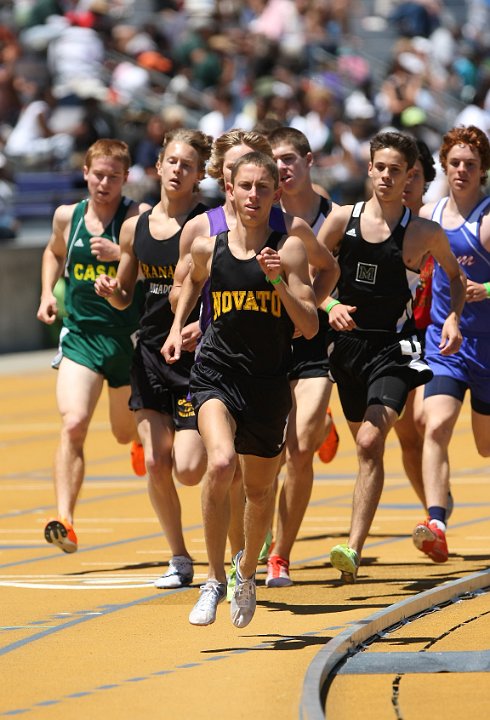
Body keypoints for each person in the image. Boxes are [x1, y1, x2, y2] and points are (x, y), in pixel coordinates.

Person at [170, 128, 339, 597]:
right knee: (222, 466)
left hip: (276, 363)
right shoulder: (203, 231)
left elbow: (316, 302)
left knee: (271, 474)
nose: (251, 192)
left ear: (273, 188)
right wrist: (185, 324)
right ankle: (217, 576)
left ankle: (259, 563)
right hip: (218, 366)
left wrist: (281, 287)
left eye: (262, 184)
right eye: (241, 181)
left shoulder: (290, 238)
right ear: (226, 181)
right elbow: (186, 283)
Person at [316, 130, 465, 582]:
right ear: (369, 169)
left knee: (368, 442)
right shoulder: (342, 219)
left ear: (409, 178)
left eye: (395, 170)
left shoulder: (423, 233)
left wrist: (454, 317)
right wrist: (329, 306)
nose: (385, 176)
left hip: (396, 348)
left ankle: (353, 548)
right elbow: (312, 276)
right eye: (379, 167)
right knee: (367, 449)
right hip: (347, 349)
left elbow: (456, 278)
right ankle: (366, 541)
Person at [94, 129, 213, 589]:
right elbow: (127, 294)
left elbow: (221, 289)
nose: (178, 170)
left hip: (193, 358)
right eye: (172, 161)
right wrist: (113, 292)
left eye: (188, 164)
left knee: (189, 467)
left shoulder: (208, 224)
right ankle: (180, 558)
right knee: (156, 463)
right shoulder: (134, 227)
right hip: (148, 353)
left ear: (199, 174)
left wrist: (200, 325)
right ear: (158, 166)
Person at [36, 138, 150, 553]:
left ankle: (139, 439)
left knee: (122, 434)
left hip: (127, 339)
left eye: (113, 177)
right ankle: (64, 518)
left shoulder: (137, 217)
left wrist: (120, 252)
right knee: (73, 422)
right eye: (98, 174)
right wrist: (48, 293)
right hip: (82, 336)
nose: (104, 183)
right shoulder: (68, 216)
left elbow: (156, 261)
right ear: (85, 173)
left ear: (125, 179)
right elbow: (53, 252)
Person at [264, 126, 339, 588]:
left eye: (290, 159)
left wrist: (318, 304)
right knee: (268, 451)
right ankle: (325, 425)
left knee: (298, 448)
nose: (283, 168)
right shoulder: (257, 214)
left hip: (318, 340)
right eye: (275, 161)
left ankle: (280, 555)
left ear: (308, 160)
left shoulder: (330, 212)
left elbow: (333, 267)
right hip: (269, 342)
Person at [413, 125, 490, 563]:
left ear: (483, 171)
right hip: (446, 341)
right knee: (435, 424)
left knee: (484, 446)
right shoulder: (431, 213)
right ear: (444, 165)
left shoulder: (488, 219)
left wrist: (488, 289)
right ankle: (437, 522)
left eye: (471, 164)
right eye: (455, 163)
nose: (461, 170)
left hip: (488, 348)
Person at [393, 139, 441, 510]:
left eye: (415, 175)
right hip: (395, 336)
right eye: (400, 173)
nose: (406, 182)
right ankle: (433, 510)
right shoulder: (373, 227)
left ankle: (437, 504)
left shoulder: (435, 225)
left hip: (433, 334)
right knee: (406, 434)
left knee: (427, 420)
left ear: (425, 180)